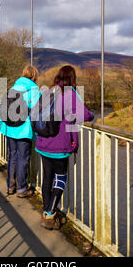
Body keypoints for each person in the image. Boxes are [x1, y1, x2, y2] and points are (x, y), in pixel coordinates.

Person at [35, 65, 94, 230]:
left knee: (47, 178)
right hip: (60, 146)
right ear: (72, 79)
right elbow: (85, 115)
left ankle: (47, 212)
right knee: (60, 179)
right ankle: (49, 214)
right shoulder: (70, 95)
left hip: (43, 143)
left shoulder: (48, 92)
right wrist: (92, 115)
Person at [0, 66, 41, 198]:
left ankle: (10, 186)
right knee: (23, 159)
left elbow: (4, 107)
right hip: (24, 129)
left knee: (12, 156)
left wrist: (1, 124)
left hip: (10, 128)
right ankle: (22, 188)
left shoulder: (13, 87)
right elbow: (38, 110)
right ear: (34, 76)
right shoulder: (34, 89)